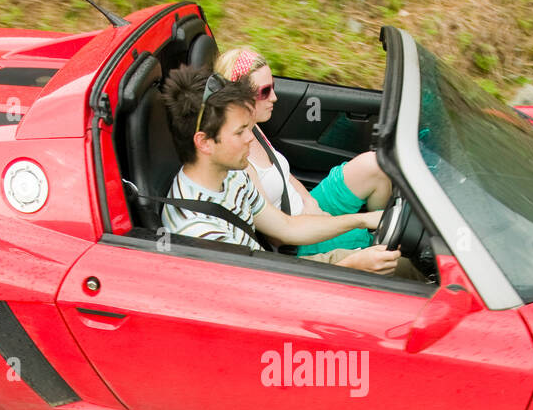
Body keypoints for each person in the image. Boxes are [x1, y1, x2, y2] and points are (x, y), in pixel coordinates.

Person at [159, 65, 409, 276]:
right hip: (274, 287)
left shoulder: (233, 175)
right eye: (239, 131)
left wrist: (363, 219)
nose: (250, 138)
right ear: (204, 142)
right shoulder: (200, 233)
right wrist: (353, 266)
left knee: (403, 263)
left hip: (272, 269)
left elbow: (287, 227)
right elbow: (261, 301)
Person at [215, 46, 394, 259]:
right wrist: (322, 221)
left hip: (307, 206)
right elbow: (278, 234)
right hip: (297, 239)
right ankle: (378, 230)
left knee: (374, 165)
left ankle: (381, 220)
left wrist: (310, 201)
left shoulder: (252, 125)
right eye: (265, 91)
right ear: (239, 98)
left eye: (273, 86)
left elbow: (283, 172)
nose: (274, 97)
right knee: (381, 248)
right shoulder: (237, 159)